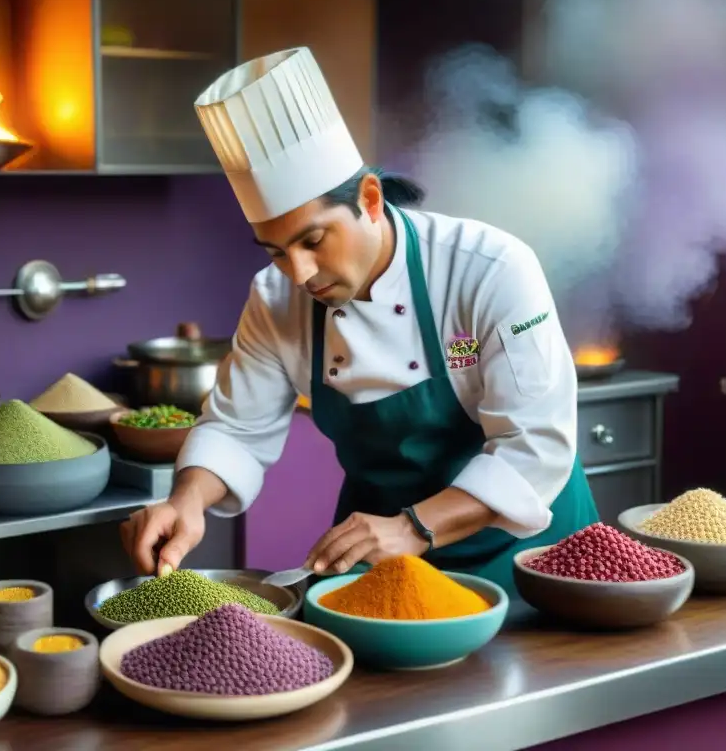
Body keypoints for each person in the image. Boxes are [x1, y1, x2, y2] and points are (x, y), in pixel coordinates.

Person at [120, 47, 599, 597]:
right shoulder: (275, 297)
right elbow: (236, 427)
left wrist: (414, 526)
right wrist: (187, 501)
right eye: (276, 251)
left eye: (314, 240)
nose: (299, 273)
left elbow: (533, 447)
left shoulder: (489, 269)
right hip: (384, 562)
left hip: (529, 558)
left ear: (370, 200)